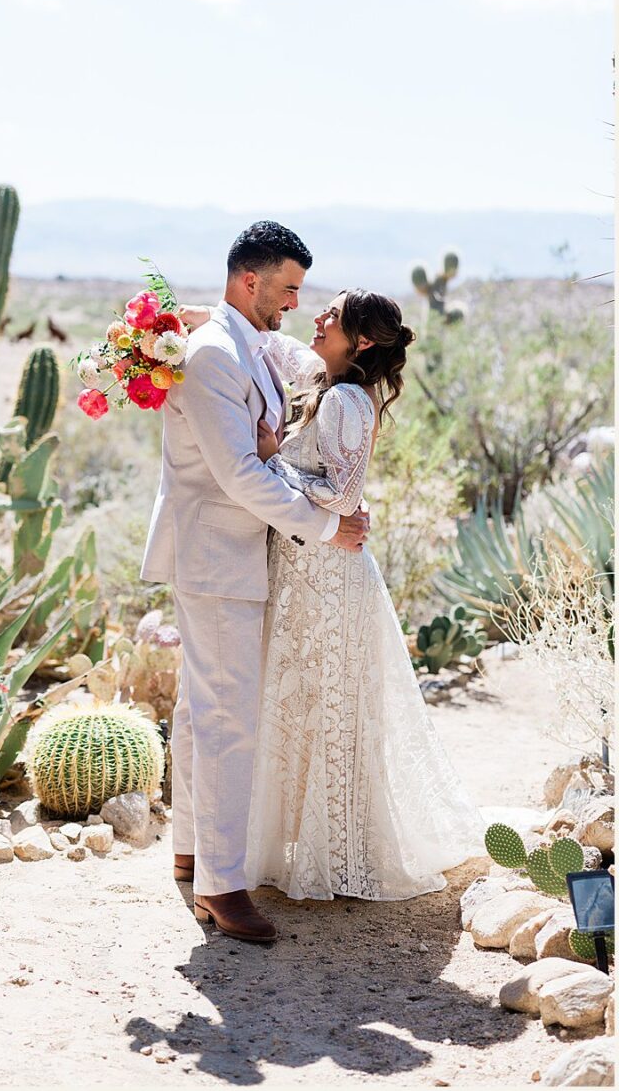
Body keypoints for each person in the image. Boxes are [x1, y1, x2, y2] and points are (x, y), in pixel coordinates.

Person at [183, 289, 484, 900]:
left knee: (334, 712)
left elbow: (345, 495)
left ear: (362, 341)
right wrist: (184, 318)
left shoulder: (347, 398)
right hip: (305, 572)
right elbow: (272, 342)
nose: (316, 318)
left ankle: (344, 860)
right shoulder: (326, 377)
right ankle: (306, 852)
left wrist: (271, 463)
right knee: (301, 709)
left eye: (332, 316)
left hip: (330, 579)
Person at [141, 222, 369, 943]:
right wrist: (327, 527)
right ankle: (222, 888)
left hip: (230, 556)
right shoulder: (214, 355)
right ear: (250, 281)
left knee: (198, 709)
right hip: (218, 558)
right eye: (288, 289)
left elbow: (298, 365)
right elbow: (239, 473)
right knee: (226, 719)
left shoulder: (240, 340)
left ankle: (190, 850)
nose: (296, 305)